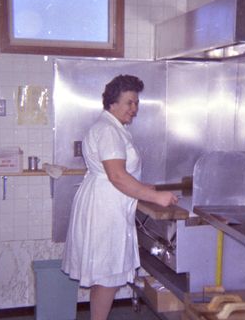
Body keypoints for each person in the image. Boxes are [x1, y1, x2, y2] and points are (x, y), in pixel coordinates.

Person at [62, 74, 178, 320]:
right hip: (105, 208)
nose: (134, 108)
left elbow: (118, 173)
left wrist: (143, 187)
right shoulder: (108, 131)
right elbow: (116, 176)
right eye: (129, 102)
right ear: (112, 103)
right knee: (107, 276)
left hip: (106, 203)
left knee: (106, 277)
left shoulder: (112, 127)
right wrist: (155, 197)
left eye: (137, 102)